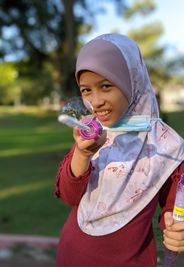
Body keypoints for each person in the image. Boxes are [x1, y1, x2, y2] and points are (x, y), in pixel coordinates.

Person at [55, 33, 184, 267]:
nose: (96, 101)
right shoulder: (92, 132)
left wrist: (176, 230)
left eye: (106, 86)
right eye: (86, 91)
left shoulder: (167, 146)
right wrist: (82, 154)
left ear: (131, 80)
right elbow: (69, 195)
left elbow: (175, 208)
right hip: (73, 255)